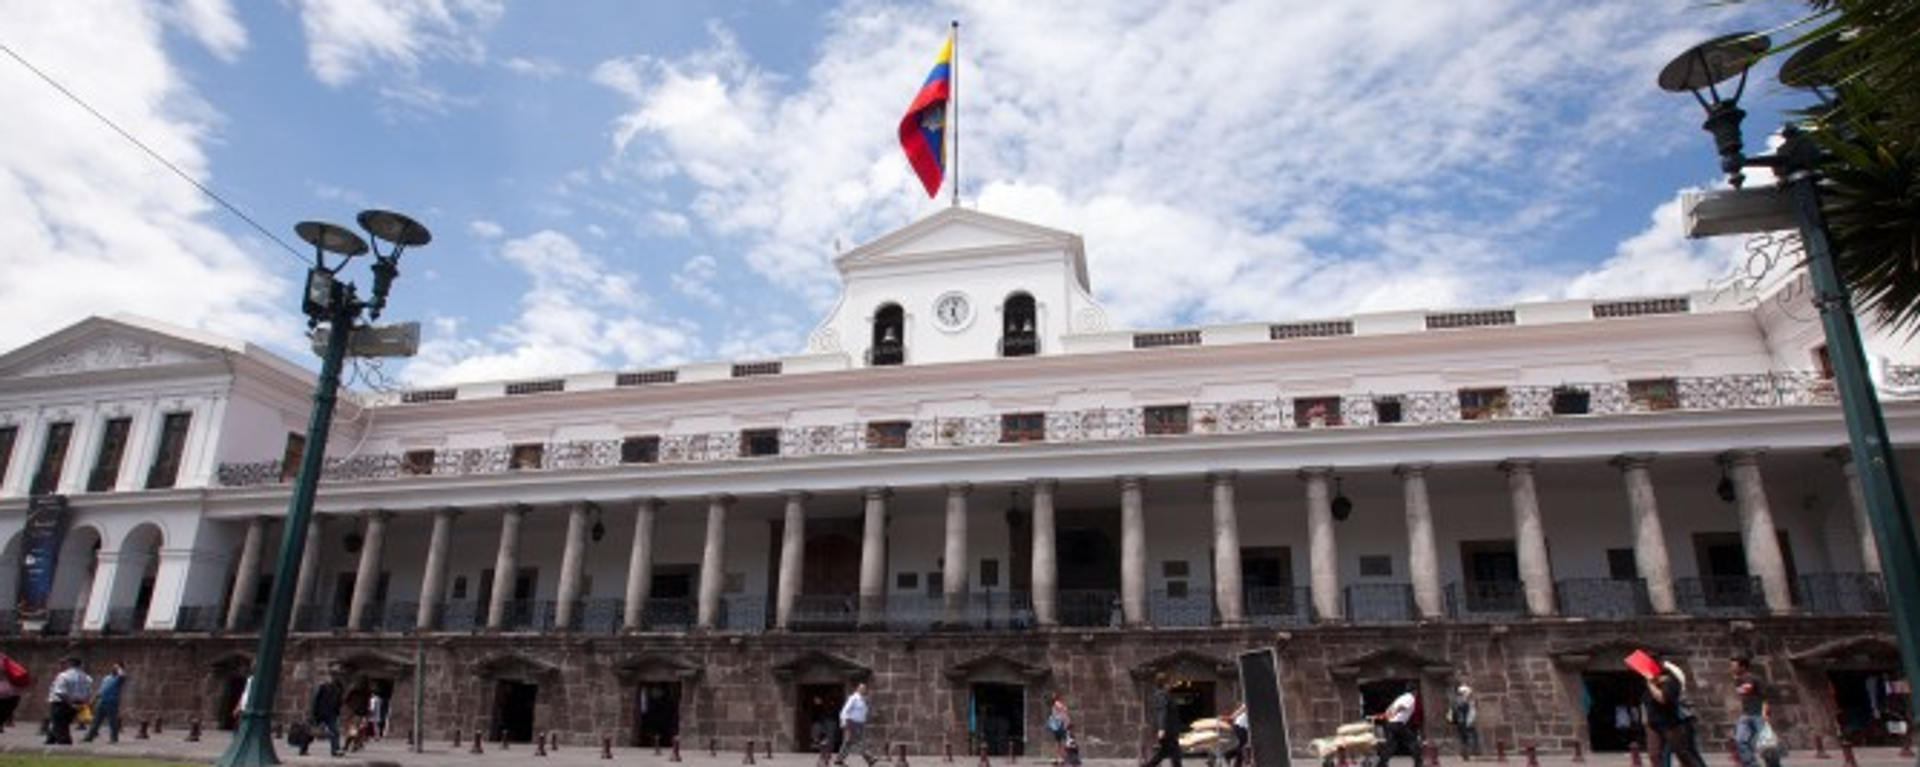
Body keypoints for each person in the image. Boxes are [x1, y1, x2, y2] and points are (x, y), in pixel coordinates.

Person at [1645, 658, 1707, 767]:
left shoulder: (1672, 680)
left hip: (1670, 724)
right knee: (1655, 756)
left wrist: (1650, 684)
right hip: (1653, 724)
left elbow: (1663, 699)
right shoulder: (1650, 680)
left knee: (1684, 754)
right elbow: (1645, 702)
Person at [1730, 657, 1781, 767]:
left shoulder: (1753, 678)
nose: (1732, 668)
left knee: (1766, 744)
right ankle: (1751, 764)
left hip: (1758, 714)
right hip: (1746, 715)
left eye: (1734, 666)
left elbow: (1764, 696)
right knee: (1740, 740)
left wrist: (1765, 713)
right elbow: (1743, 696)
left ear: (1742, 667)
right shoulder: (1738, 680)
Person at [44, 656, 92, 745]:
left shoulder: (64, 676)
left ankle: (65, 745)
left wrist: (70, 704)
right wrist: (83, 704)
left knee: (60, 726)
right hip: (78, 703)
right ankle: (50, 740)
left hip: (62, 703)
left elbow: (60, 693)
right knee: (59, 723)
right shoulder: (86, 677)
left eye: (64, 664)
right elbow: (88, 693)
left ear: (70, 664)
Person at [1141, 673, 1183, 767]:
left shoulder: (1164, 694)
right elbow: (1162, 712)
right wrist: (1161, 728)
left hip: (1169, 730)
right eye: (1169, 682)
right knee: (1174, 753)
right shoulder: (1162, 695)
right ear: (1165, 683)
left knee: (1166, 753)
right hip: (1168, 731)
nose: (1171, 684)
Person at [1377, 683, 1420, 767]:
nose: (1417, 693)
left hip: (1390, 723)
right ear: (1414, 691)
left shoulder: (1401, 697)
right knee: (1413, 741)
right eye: (1416, 691)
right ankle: (1418, 763)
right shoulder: (1410, 698)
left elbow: (1390, 707)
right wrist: (1395, 713)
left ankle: (1381, 764)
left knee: (1391, 745)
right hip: (1398, 723)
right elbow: (1401, 707)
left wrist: (1388, 714)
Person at [836, 681, 877, 767]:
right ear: (858, 689)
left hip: (860, 724)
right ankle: (869, 759)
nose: (864, 690)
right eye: (862, 688)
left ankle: (839, 759)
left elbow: (864, 712)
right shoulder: (853, 698)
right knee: (859, 742)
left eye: (865, 688)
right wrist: (843, 721)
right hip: (852, 723)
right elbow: (844, 710)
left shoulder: (863, 699)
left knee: (848, 742)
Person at [83, 661, 126, 743]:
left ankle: (113, 738)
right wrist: (94, 699)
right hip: (102, 700)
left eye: (116, 667)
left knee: (112, 721)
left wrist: (120, 668)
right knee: (96, 720)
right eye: (113, 667)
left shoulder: (119, 678)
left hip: (112, 702)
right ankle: (90, 736)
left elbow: (122, 676)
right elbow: (101, 690)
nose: (113, 668)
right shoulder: (107, 677)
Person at [310, 673, 346, 757]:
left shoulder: (338, 690)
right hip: (320, 712)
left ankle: (335, 750)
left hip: (330, 713)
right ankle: (303, 749)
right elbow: (315, 700)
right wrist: (313, 713)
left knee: (335, 731)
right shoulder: (322, 687)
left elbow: (338, 703)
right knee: (311, 731)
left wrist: (336, 712)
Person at [1449, 683, 1480, 759]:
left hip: (1460, 721)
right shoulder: (1464, 700)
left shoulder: (1455, 700)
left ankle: (1465, 753)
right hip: (1465, 721)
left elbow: (1453, 710)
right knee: (1470, 736)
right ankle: (1472, 752)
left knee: (1463, 738)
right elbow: (1469, 710)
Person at [1047, 692, 1078, 766]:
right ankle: (1062, 759)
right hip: (1060, 725)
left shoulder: (1055, 705)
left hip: (1057, 726)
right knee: (1063, 742)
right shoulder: (1058, 704)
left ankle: (1058, 758)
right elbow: (1064, 713)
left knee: (1058, 742)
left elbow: (1061, 713)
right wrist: (1068, 723)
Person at [1220, 701, 1249, 767]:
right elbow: (1240, 710)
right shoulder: (1250, 701)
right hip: (1241, 726)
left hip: (1242, 726)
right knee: (1242, 746)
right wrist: (1231, 717)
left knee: (1242, 745)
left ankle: (1229, 756)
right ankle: (1232, 760)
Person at [0, 651, 24, 732]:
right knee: (7, 708)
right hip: (13, 691)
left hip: (5, 691)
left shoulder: (3, 659)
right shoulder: (5, 658)